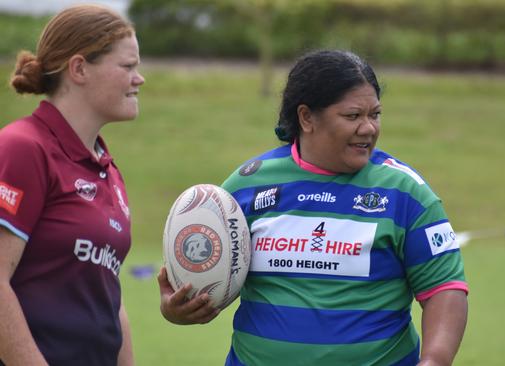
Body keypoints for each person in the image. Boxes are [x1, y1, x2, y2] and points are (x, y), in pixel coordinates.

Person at [158, 50, 468, 365]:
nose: (368, 128)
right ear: (306, 117)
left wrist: (435, 359)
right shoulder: (247, 185)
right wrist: (177, 307)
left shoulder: (405, 192)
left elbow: (445, 288)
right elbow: (205, 277)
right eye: (352, 116)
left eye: (374, 114)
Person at [0, 4, 144, 365]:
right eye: (127, 67)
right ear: (79, 68)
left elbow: (111, 297)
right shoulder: (23, 148)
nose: (139, 78)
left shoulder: (109, 171)